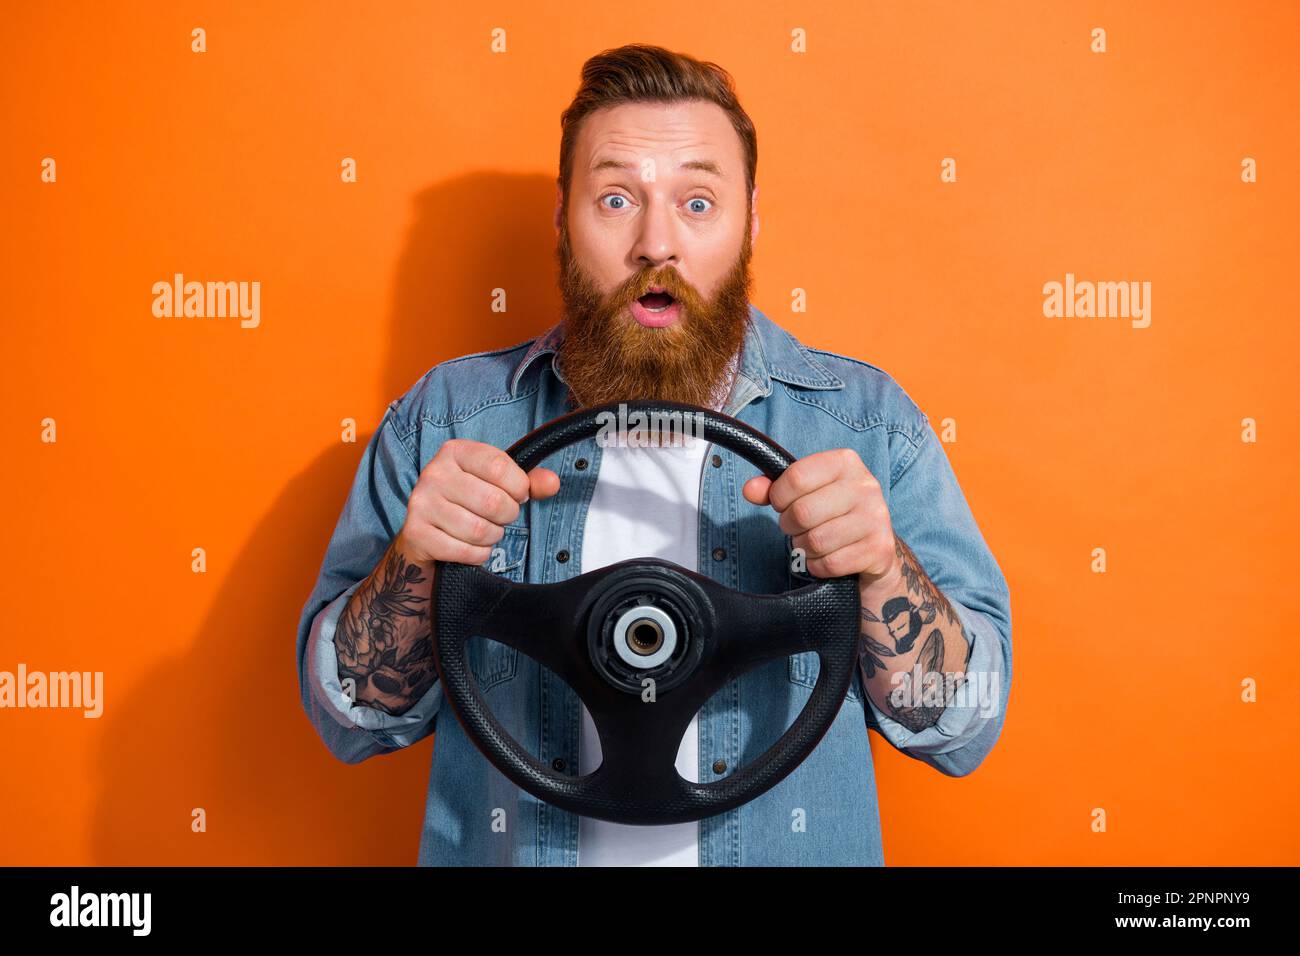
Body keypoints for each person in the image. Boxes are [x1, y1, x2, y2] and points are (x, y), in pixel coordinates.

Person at [295, 43, 1012, 866]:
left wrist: (884, 570)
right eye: (614, 199)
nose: (655, 244)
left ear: (752, 222)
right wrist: (418, 562)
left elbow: (965, 730)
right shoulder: (449, 419)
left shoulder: (868, 426)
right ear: (563, 222)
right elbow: (349, 720)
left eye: (698, 202)